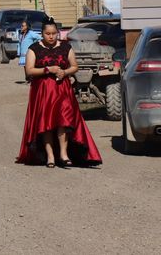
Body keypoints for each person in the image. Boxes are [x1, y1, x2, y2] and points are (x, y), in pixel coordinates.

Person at [16, 16, 102, 168]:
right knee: (46, 123)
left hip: (62, 90)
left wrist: (65, 72)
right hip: (43, 92)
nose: (51, 36)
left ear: (58, 33)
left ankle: (63, 153)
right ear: (42, 33)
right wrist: (47, 69)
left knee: (64, 120)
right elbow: (29, 70)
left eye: (54, 33)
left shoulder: (66, 47)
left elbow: (74, 66)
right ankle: (50, 156)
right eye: (48, 33)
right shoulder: (34, 48)